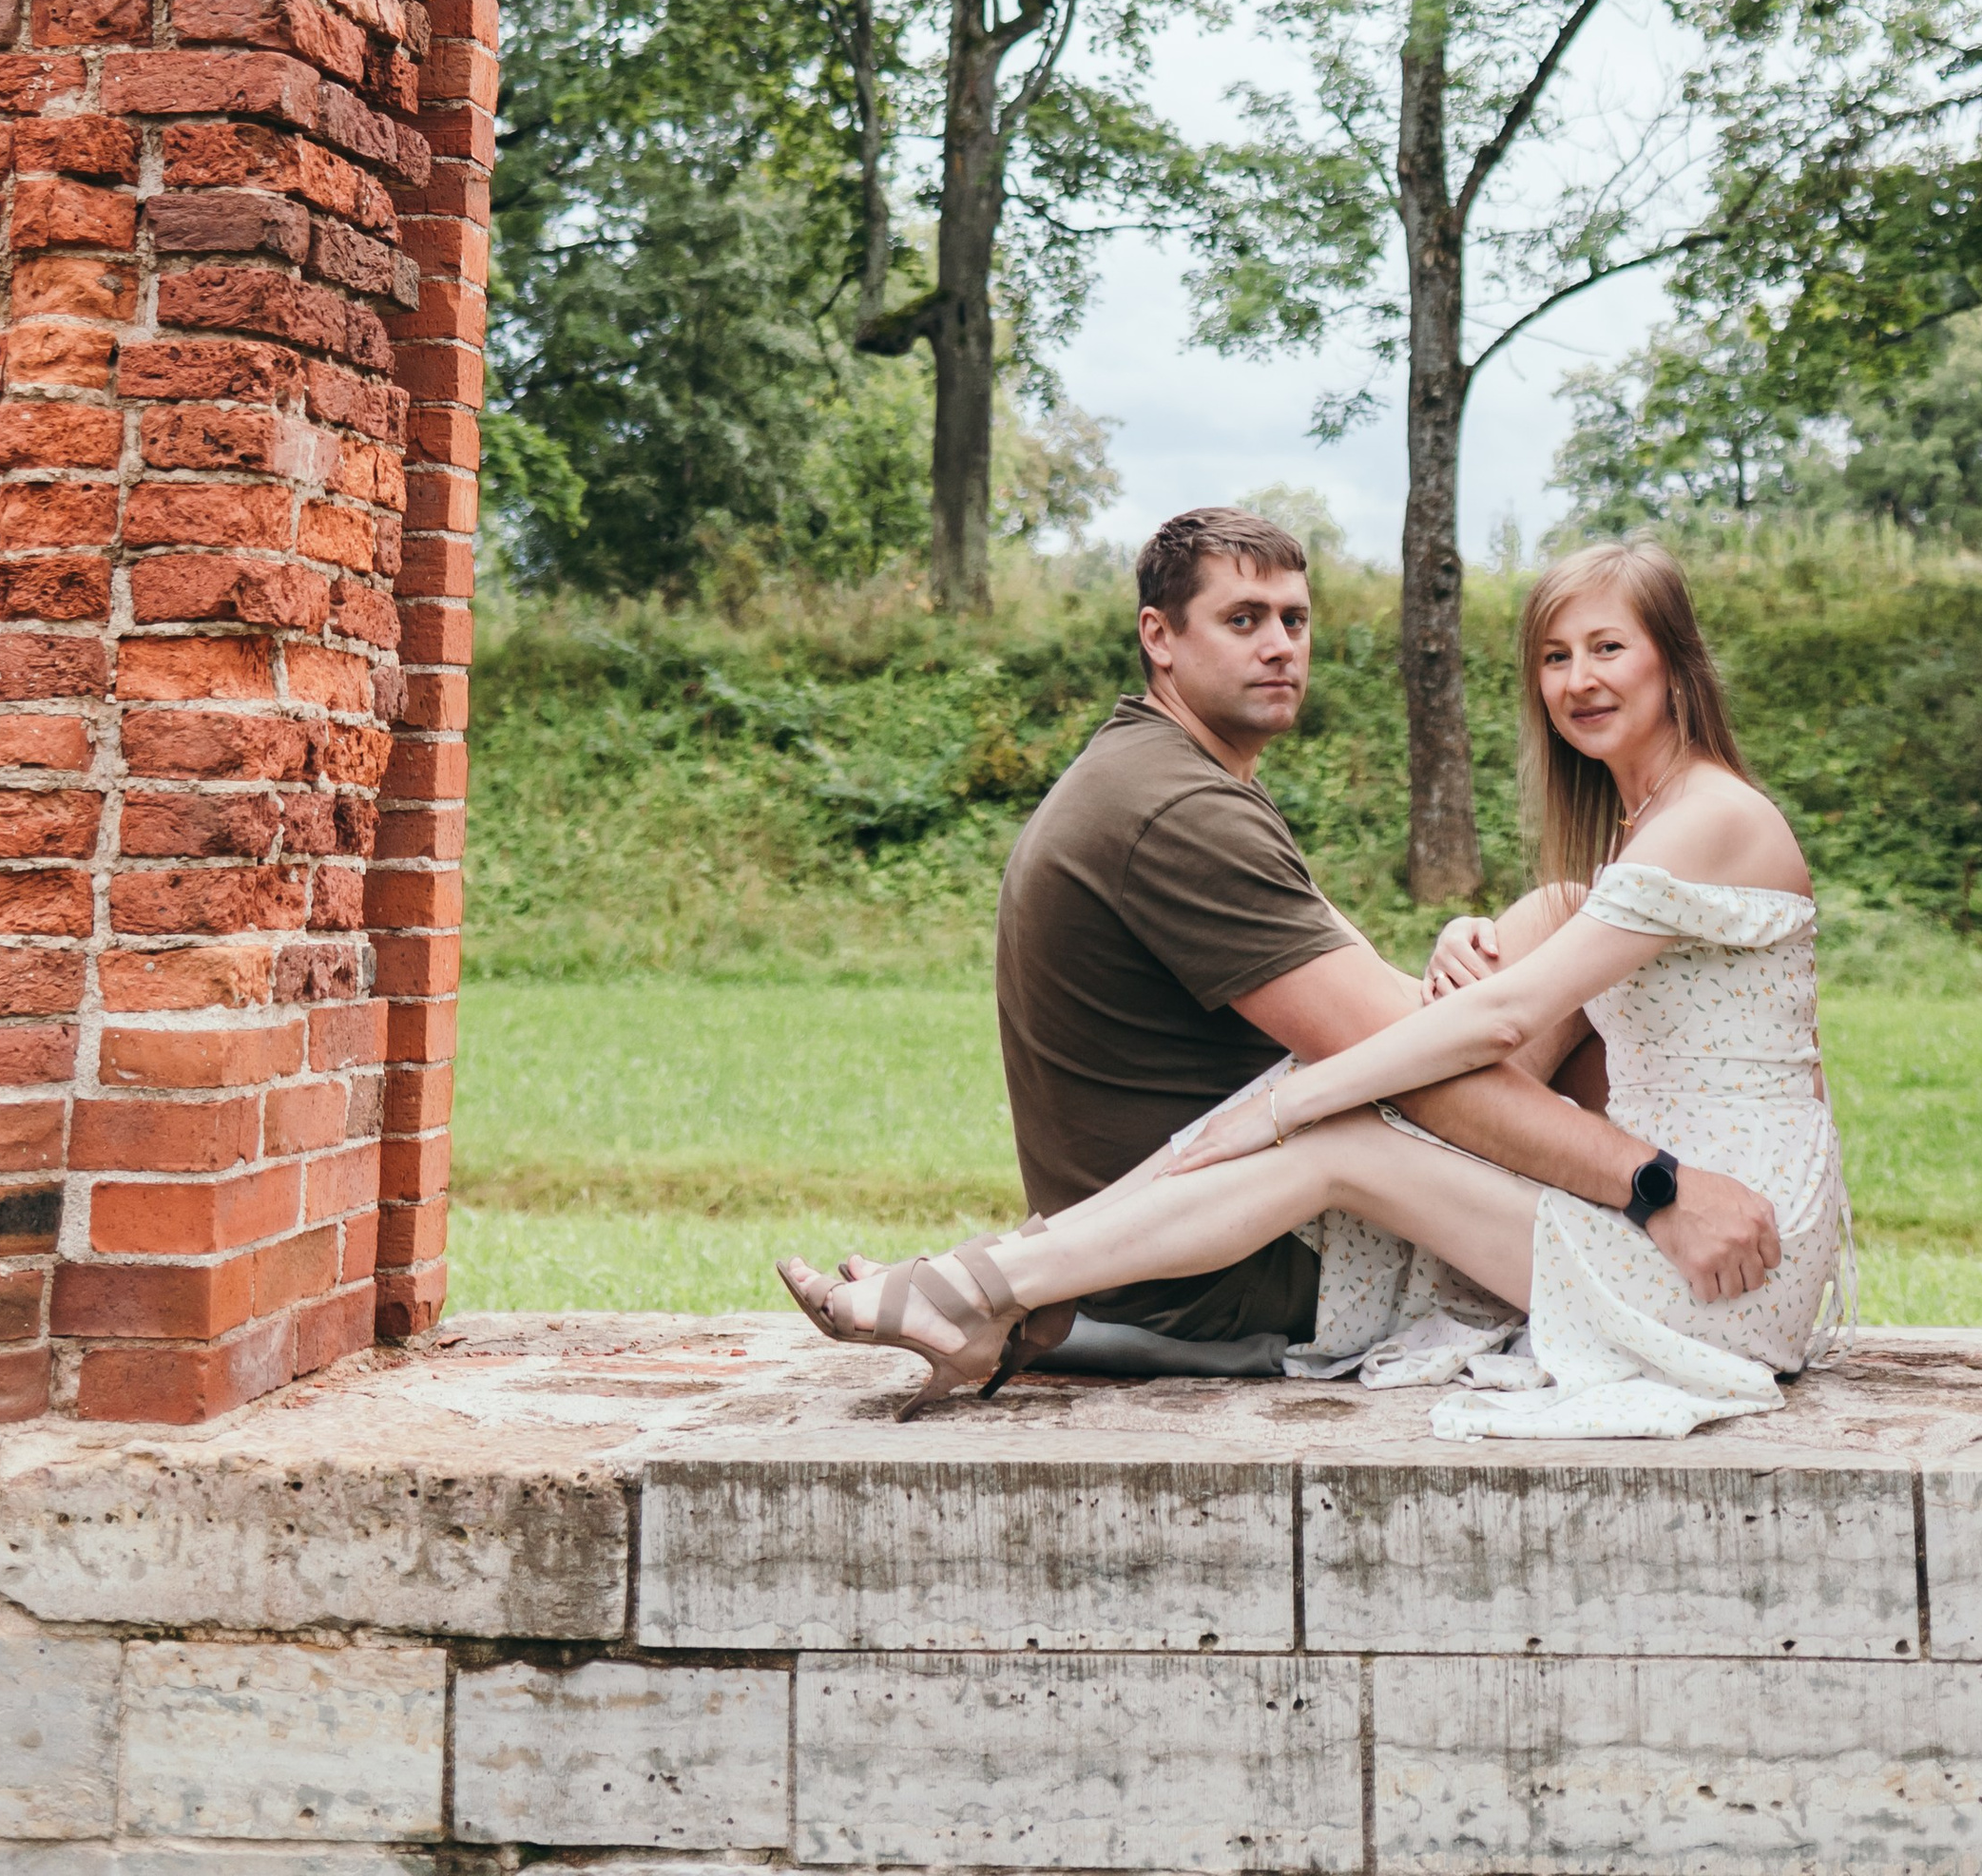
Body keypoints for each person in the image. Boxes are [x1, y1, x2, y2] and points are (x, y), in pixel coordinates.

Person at [785, 532, 1852, 1437]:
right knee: (1354, 1074)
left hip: (1723, 1244)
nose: (1579, 681)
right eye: (1555, 655)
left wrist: (1289, 1107)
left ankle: (972, 1286)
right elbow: (1527, 965)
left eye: (1610, 649)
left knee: (1335, 1130)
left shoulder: (1707, 816)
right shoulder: (1636, 843)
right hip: (1680, 1228)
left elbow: (1507, 1015)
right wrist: (1471, 930)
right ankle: (984, 1289)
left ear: (1677, 663)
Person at [971, 501, 1780, 1378]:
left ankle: (998, 1271)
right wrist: (1652, 1186)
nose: (1281, 645)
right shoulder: (1179, 807)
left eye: (1294, 619)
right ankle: (1001, 1279)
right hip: (1223, 1267)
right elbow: (1411, 1061)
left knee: (1545, 918)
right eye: (1243, 621)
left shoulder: (1162, 772)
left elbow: (1403, 1025)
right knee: (1369, 1102)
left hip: (1200, 1232)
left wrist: (1454, 968)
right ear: (1158, 637)